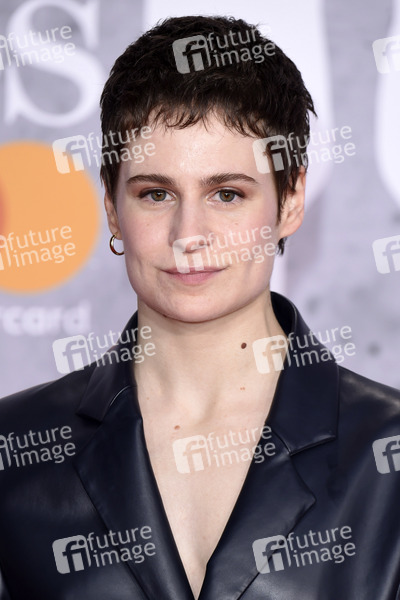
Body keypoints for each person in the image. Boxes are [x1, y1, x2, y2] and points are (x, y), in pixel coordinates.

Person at [0, 14, 399, 600]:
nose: (189, 234)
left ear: (290, 201)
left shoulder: (388, 451)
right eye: (156, 193)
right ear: (112, 207)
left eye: (227, 194)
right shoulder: (14, 447)